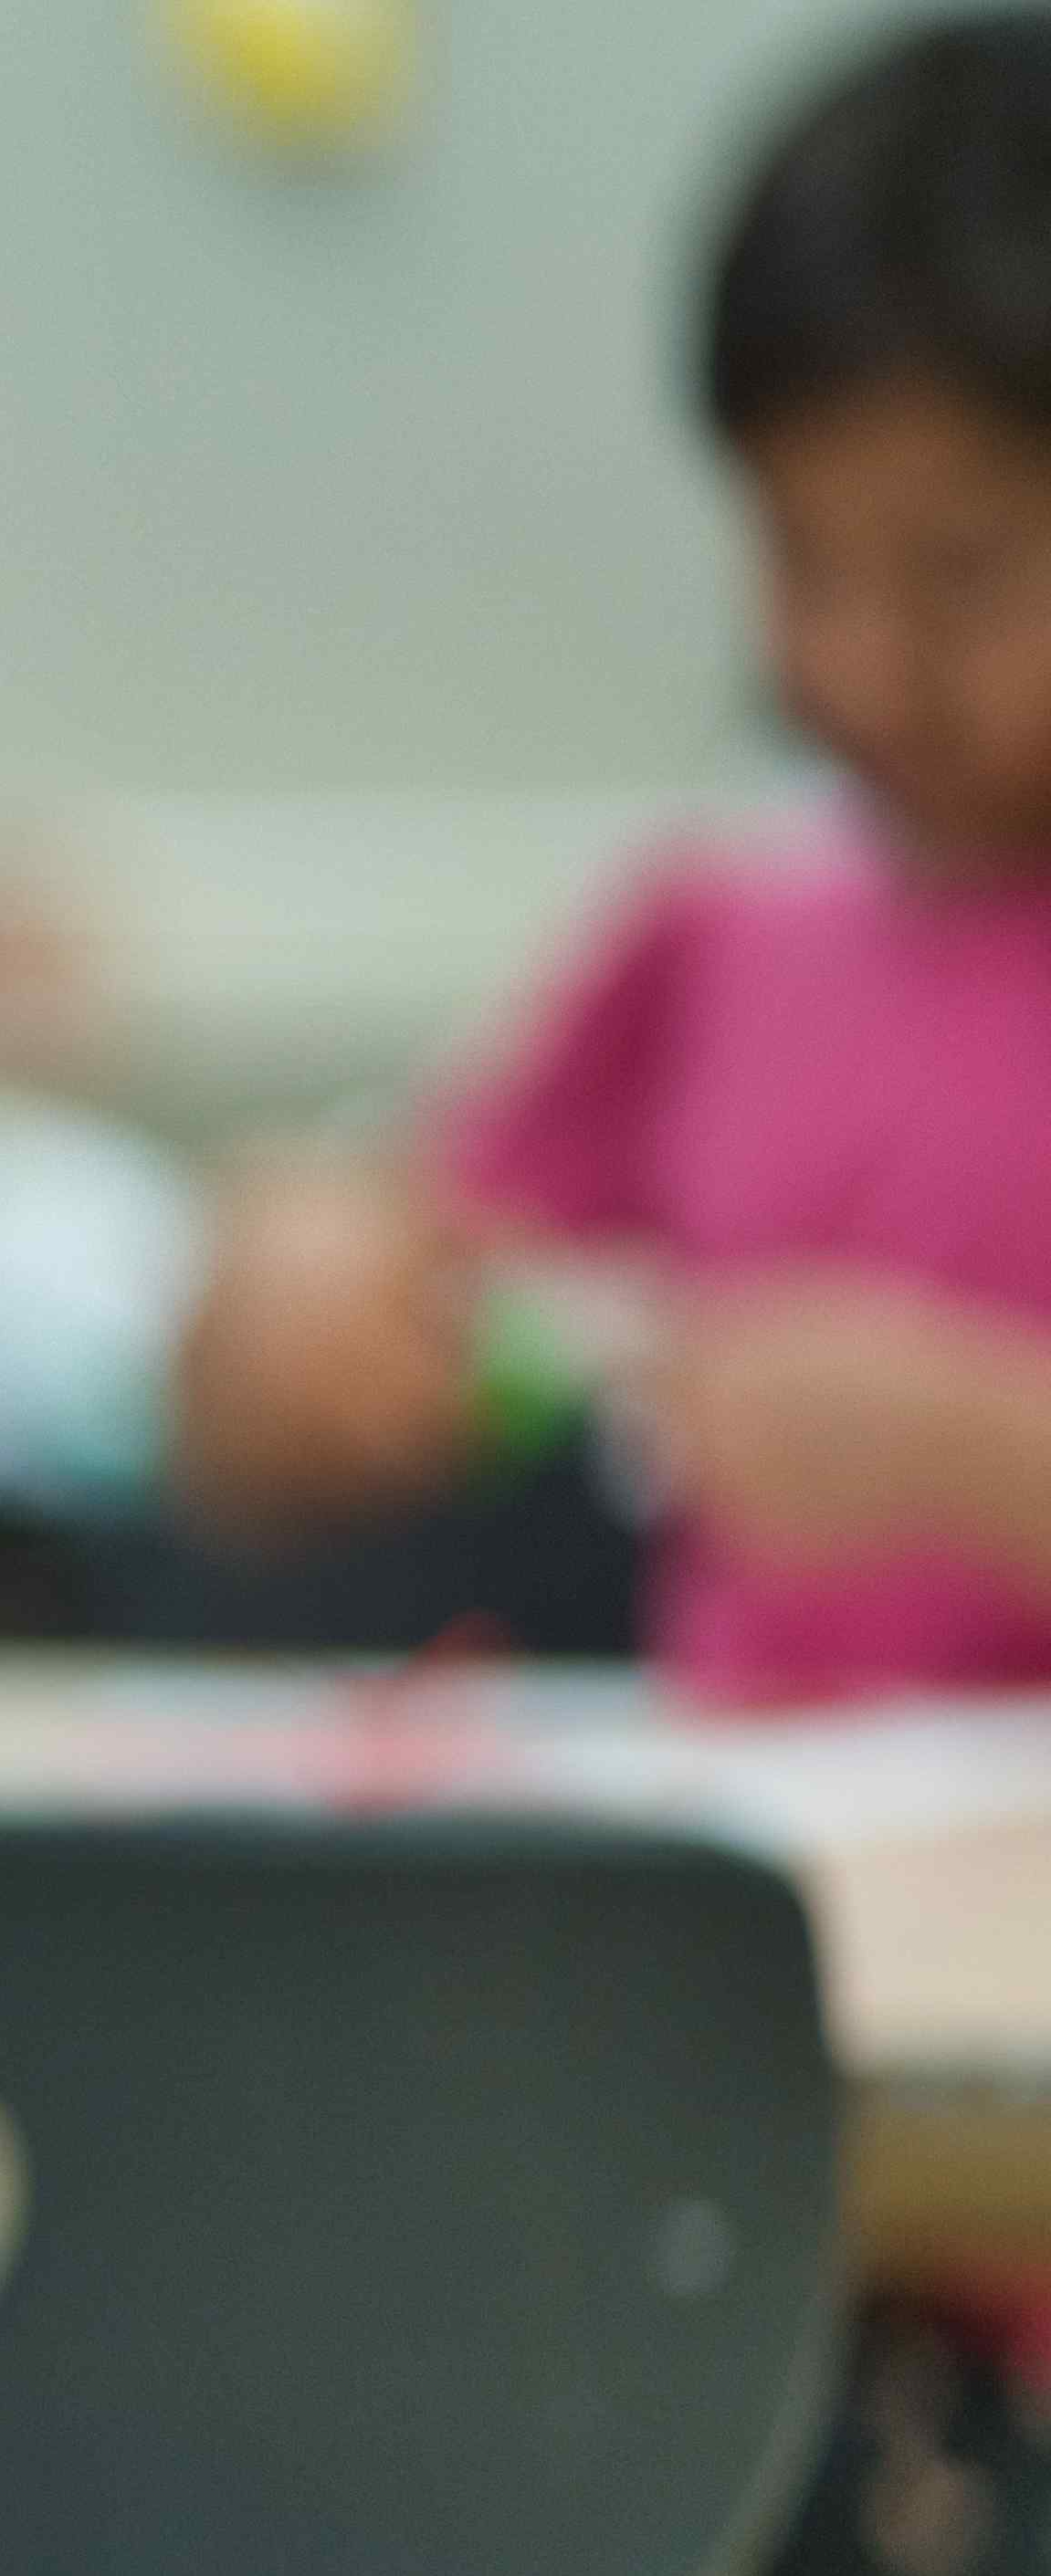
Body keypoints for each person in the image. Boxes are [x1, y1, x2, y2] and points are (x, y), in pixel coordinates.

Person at [169, 7, 1051, 1701]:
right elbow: (348, 1359)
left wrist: (982, 1456)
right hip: (767, 1907)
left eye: (963, 575)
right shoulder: (729, 933)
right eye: (797, 560)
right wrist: (275, 1319)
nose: (861, 665)